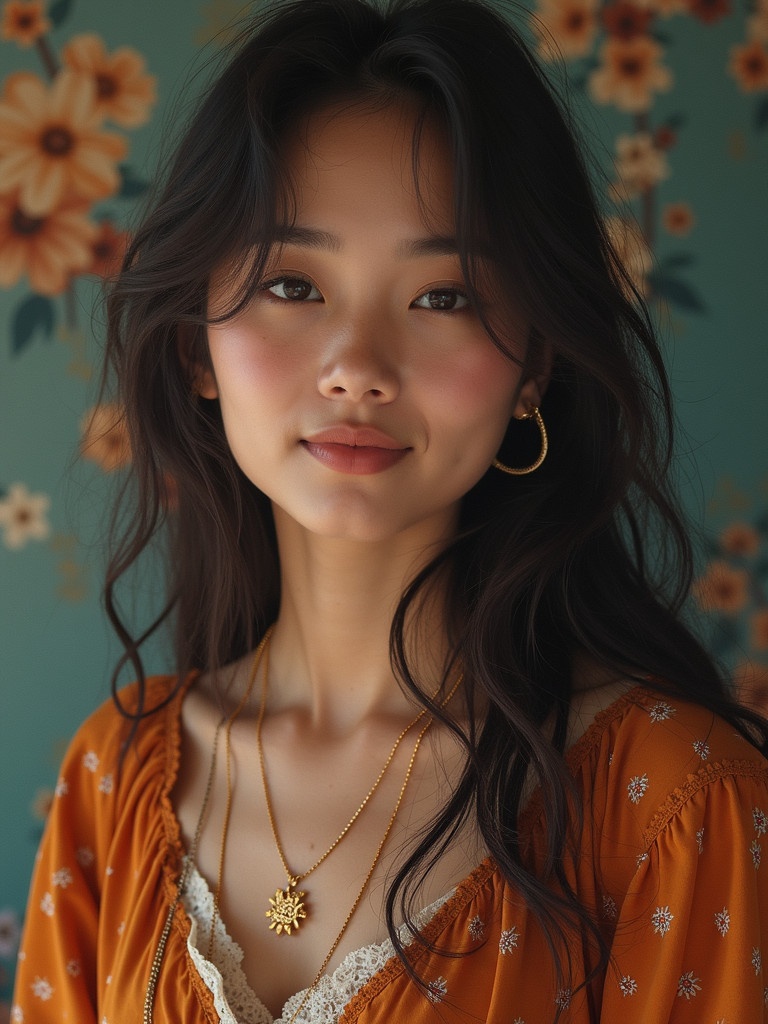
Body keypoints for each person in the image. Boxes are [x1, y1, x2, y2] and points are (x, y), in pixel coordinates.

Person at [12, 0, 768, 1021]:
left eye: (443, 296)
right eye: (292, 282)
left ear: (535, 363)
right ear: (197, 344)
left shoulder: (677, 799)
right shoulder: (112, 776)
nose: (358, 368)